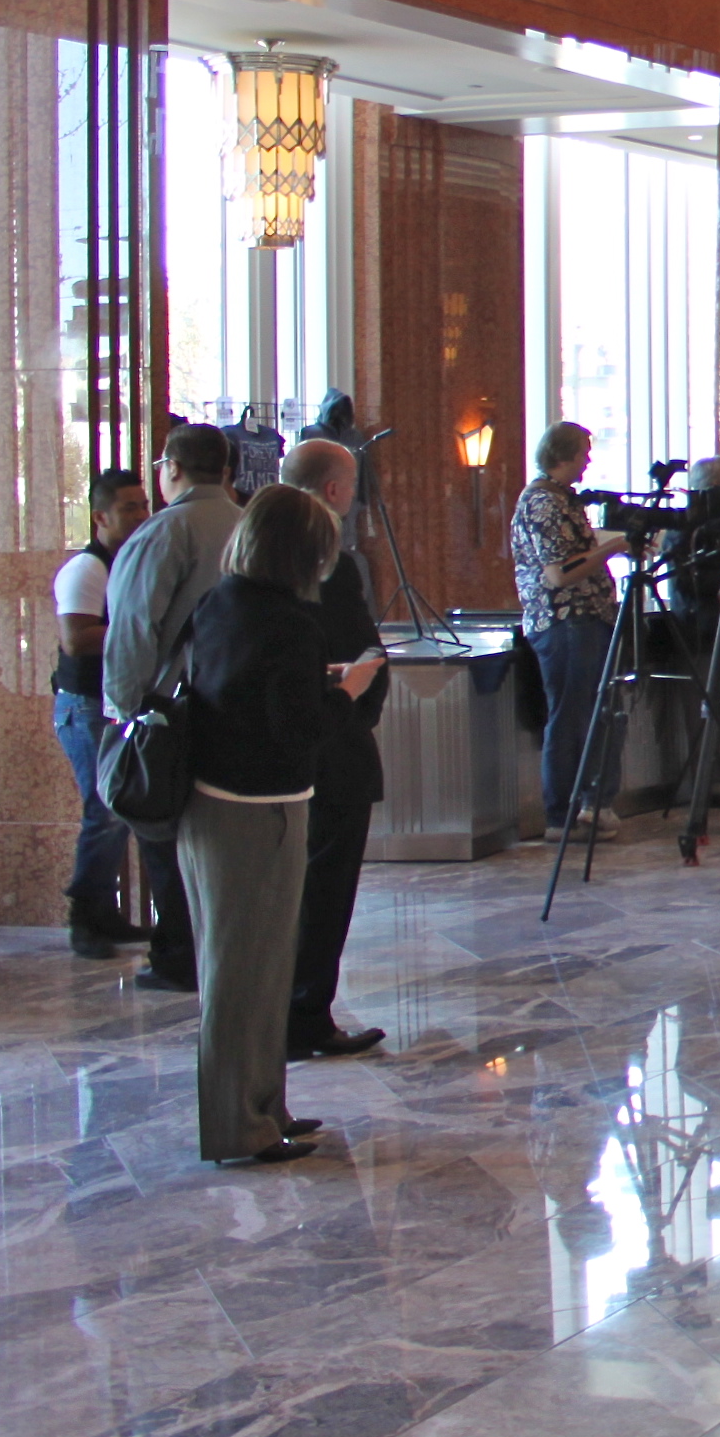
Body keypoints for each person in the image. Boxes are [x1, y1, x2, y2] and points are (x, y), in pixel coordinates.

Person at [178, 482, 370, 1165]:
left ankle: (265, 1109)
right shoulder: (289, 624)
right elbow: (299, 733)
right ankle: (241, 1125)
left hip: (219, 806)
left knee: (256, 971)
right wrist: (343, 694)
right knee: (243, 978)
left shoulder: (221, 603)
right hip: (253, 812)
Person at [104, 423, 247, 989]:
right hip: (239, 708)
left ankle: (178, 953)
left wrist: (123, 707)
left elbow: (135, 627)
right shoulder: (249, 525)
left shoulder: (165, 533)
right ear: (227, 470)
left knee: (162, 830)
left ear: (172, 470)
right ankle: (219, 947)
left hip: (174, 710)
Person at [272, 440, 388, 1061]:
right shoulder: (329, 564)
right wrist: (359, 709)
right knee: (325, 888)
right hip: (332, 747)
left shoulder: (248, 564)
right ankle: (306, 1015)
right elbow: (362, 655)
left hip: (275, 756)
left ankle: (284, 1012)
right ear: (338, 492)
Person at [53, 468, 153, 960]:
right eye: (129, 507)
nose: (140, 515)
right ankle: (85, 915)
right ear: (101, 516)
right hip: (85, 706)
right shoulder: (87, 570)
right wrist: (142, 631)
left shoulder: (131, 563)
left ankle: (105, 912)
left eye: (143, 505)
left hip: (116, 703)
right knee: (104, 809)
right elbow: (76, 640)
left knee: (116, 809)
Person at [511, 423, 624, 844]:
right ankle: (560, 814)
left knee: (590, 714)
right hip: (565, 622)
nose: (588, 460)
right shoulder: (543, 503)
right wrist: (611, 548)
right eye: (583, 453)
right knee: (570, 719)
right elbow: (559, 574)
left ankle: (591, 804)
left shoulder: (561, 500)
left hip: (584, 620)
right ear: (563, 456)